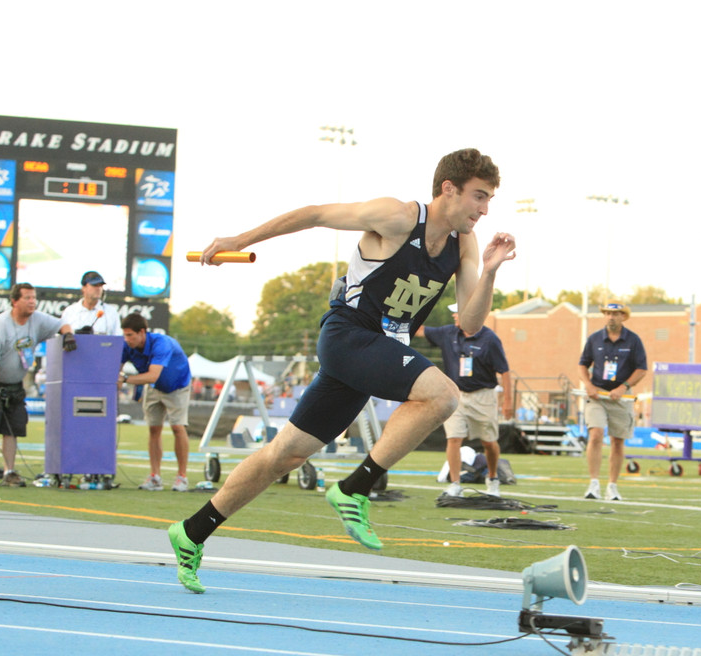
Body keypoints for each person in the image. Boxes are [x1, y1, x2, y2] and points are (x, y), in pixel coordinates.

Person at [167, 148, 514, 593]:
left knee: (285, 455)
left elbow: (469, 323)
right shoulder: (399, 216)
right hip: (348, 336)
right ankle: (354, 488)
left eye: (489, 201)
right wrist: (239, 239)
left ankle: (192, 530)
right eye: (478, 197)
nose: (484, 210)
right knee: (443, 395)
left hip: (375, 350)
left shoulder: (463, 244)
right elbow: (315, 214)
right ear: (449, 189)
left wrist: (488, 272)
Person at [0, 283, 76, 487]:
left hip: (14, 382)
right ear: (15, 301)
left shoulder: (37, 319)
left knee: (13, 428)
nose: (32, 301)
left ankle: (9, 471)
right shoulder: (0, 325)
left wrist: (68, 335)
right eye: (27, 298)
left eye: (34, 298)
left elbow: (63, 324)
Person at [422, 302, 509, 497]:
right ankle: (455, 484)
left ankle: (493, 478)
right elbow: (420, 331)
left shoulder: (490, 339)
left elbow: (504, 371)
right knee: (453, 439)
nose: (454, 316)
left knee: (489, 442)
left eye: (457, 313)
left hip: (483, 395)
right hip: (456, 394)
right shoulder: (448, 333)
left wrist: (508, 401)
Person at [578, 302, 647, 501]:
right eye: (608, 313)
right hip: (597, 395)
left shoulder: (633, 341)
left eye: (615, 314)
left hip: (620, 397)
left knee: (617, 441)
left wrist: (623, 386)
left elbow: (641, 369)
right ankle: (593, 484)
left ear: (623, 317)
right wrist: (588, 385)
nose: (611, 317)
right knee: (596, 434)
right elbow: (582, 365)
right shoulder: (594, 339)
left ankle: (612, 485)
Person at [119, 313, 192, 493]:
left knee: (177, 427)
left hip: (177, 386)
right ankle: (155, 476)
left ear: (142, 332)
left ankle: (182, 476)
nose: (127, 339)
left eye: (130, 335)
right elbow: (115, 370)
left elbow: (153, 375)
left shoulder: (162, 343)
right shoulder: (126, 346)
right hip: (153, 387)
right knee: (153, 428)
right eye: (125, 335)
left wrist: (125, 379)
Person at [60, 271, 123, 335]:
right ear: (84, 288)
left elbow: (117, 337)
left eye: (101, 286)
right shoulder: (70, 312)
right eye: (94, 285)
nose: (98, 288)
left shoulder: (110, 312)